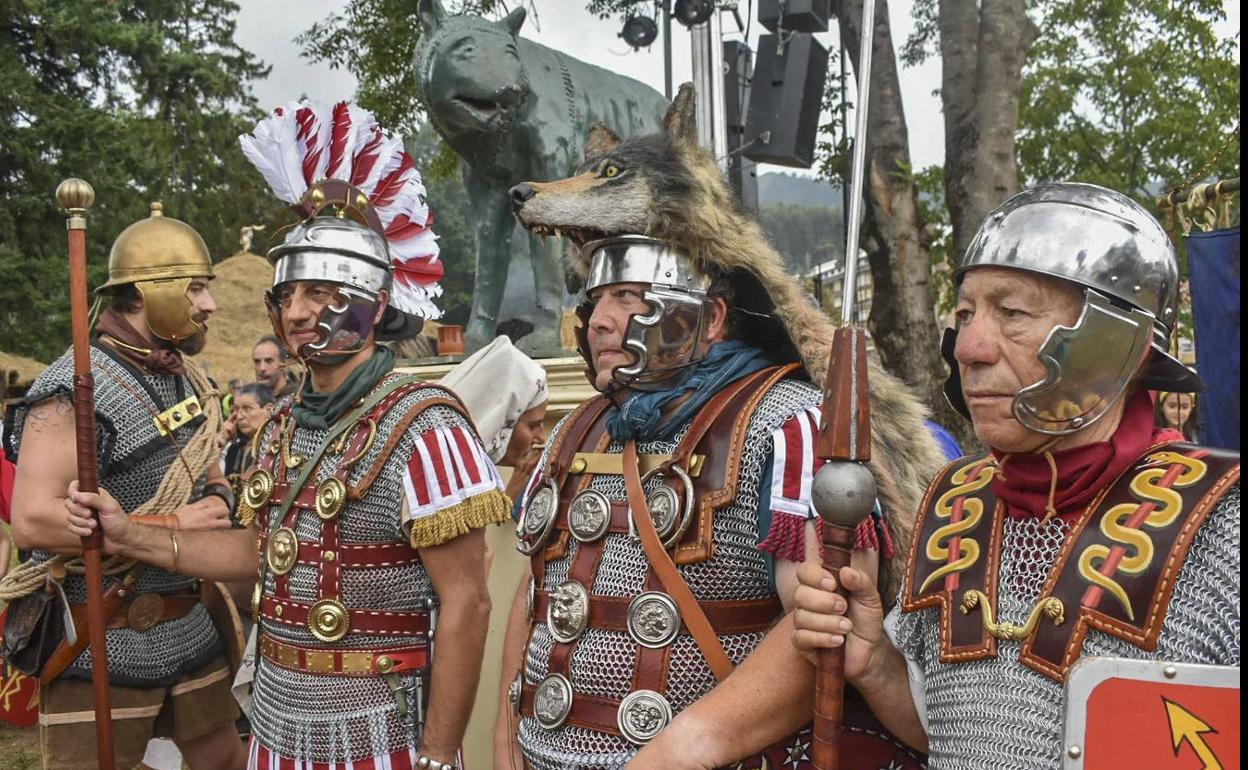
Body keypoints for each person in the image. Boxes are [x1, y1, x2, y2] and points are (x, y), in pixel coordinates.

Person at [67, 98, 508, 770]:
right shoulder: (280, 429)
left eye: (320, 294)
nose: (296, 314)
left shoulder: (426, 425)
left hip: (380, 731)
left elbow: (468, 602)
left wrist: (440, 755)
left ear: (375, 303)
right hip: (277, 720)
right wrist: (130, 532)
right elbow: (256, 552)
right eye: (287, 296)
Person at [791, 183, 1240, 768]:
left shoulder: (1224, 520)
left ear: (1116, 344)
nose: (970, 347)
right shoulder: (955, 503)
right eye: (965, 313)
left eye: (1012, 312)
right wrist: (875, 663)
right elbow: (954, 737)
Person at [494, 232, 944, 769]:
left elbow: (825, 625)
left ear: (708, 320)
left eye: (629, 298)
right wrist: (506, 737)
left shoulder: (791, 424)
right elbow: (539, 590)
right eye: (597, 300)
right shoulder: (578, 429)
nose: (597, 321)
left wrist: (681, 751)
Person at [0, 203, 244, 770]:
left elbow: (204, 454)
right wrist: (165, 526)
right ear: (148, 291)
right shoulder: (72, 388)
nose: (208, 304)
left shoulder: (184, 374)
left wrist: (217, 493)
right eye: (197, 289)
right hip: (100, 630)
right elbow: (34, 520)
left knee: (225, 761)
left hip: (186, 618)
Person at [440, 334, 549, 501]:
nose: (541, 437)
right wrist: (508, 499)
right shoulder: (438, 474)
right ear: (498, 420)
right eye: (533, 426)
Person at [221, 382, 275, 488]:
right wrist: (220, 440)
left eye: (247, 408)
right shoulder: (234, 449)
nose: (239, 416)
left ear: (269, 410)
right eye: (236, 410)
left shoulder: (276, 449)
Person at [252, 336, 295, 400]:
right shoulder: (252, 399)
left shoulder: (297, 399)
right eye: (257, 361)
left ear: (284, 364)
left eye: (269, 361)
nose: (262, 368)